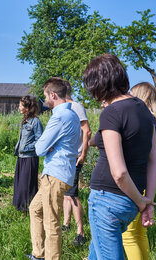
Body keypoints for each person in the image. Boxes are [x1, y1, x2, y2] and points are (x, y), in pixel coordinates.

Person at [83, 53, 156, 260]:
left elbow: (119, 173)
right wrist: (147, 199)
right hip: (129, 204)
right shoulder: (144, 109)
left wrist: (142, 202)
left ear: (99, 84)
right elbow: (155, 157)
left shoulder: (111, 113)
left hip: (106, 201)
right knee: (95, 253)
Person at [27, 77, 80, 260]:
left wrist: (47, 145)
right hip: (59, 173)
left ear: (53, 95)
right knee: (35, 208)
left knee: (51, 224)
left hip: (55, 175)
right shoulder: (72, 114)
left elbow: (40, 148)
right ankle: (39, 253)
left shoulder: (59, 116)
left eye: (45, 96)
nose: (44, 101)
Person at [122, 82, 156, 260]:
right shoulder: (154, 122)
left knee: (129, 236)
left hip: (133, 182)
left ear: (141, 97)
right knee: (139, 233)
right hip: (145, 182)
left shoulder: (140, 121)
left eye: (132, 94)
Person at [62, 82, 92, 246]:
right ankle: (66, 224)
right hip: (66, 157)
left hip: (75, 156)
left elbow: (86, 130)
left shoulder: (76, 106)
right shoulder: (65, 108)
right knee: (67, 194)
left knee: (73, 194)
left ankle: (81, 233)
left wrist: (84, 153)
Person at [13, 96, 43, 212]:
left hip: (30, 157)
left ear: (27, 107)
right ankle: (19, 207)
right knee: (20, 183)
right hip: (21, 157)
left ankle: (28, 208)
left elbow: (40, 140)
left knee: (27, 185)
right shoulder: (25, 120)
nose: (19, 107)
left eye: (21, 105)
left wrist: (26, 148)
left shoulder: (35, 122)